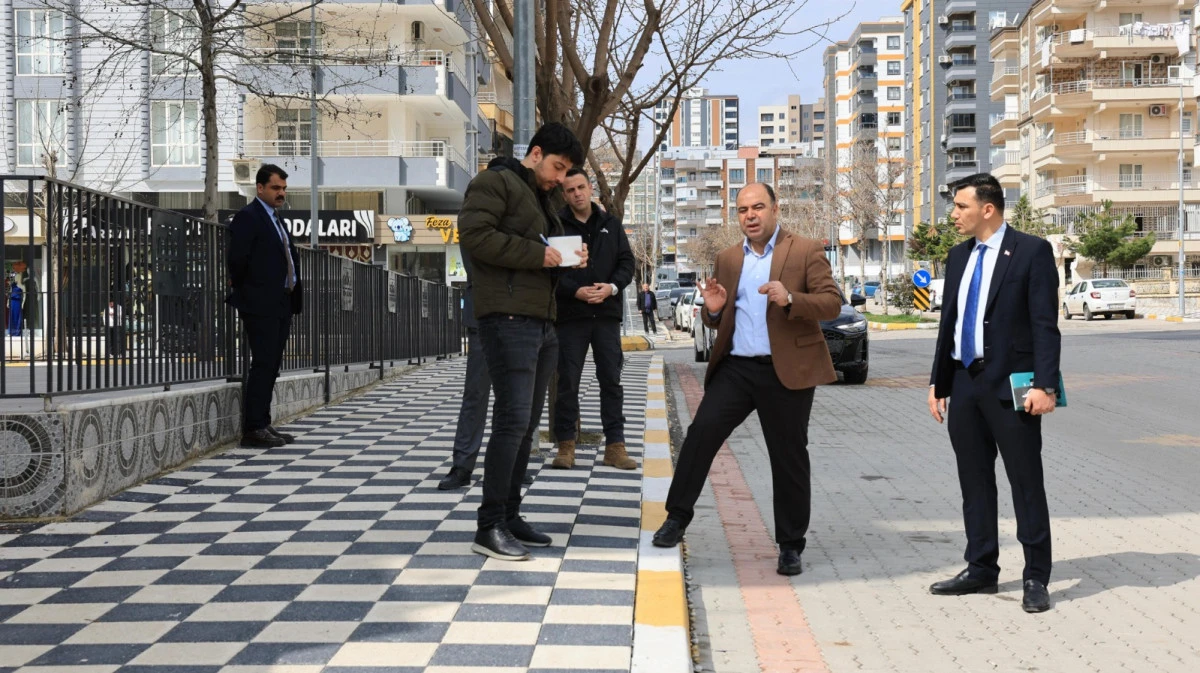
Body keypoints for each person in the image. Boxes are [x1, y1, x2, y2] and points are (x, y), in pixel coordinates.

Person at [650, 183, 841, 576]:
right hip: (736, 369)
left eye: (758, 207)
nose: (750, 216)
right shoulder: (727, 258)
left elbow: (831, 303)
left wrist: (791, 299)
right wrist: (713, 312)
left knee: (788, 457)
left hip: (785, 370)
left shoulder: (804, 250)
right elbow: (716, 314)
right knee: (701, 433)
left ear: (775, 209)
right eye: (742, 210)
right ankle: (676, 518)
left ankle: (790, 545)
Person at [926, 173, 1061, 613]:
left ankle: (1036, 576)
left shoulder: (1031, 251)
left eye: (961, 206)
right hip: (965, 383)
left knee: (1025, 482)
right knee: (975, 481)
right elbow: (950, 322)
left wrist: (1045, 385)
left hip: (1012, 387)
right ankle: (981, 567)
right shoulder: (958, 256)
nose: (955, 214)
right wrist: (939, 382)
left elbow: (1044, 325)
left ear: (988, 208)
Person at [458, 122, 587, 561]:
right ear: (535, 154)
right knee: (512, 423)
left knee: (526, 427)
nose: (560, 178)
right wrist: (540, 254)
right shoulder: (494, 182)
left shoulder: (540, 195)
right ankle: (488, 526)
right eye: (557, 166)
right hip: (507, 318)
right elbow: (474, 237)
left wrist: (566, 255)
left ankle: (509, 515)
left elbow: (538, 246)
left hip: (541, 320)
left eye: (566, 170)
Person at [550, 168, 636, 471]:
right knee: (567, 382)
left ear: (590, 189)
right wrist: (576, 292)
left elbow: (627, 263)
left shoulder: (611, 224)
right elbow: (551, 272)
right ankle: (566, 446)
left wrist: (611, 287)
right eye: (570, 189)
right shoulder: (557, 225)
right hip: (571, 316)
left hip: (606, 315)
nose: (577, 193)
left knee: (611, 380)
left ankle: (615, 446)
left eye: (581, 187)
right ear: (565, 194)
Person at [226, 164, 302, 449]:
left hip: (281, 300)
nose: (281, 193)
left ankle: (263, 421)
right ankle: (253, 428)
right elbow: (237, 260)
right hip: (260, 301)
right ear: (260, 188)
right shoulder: (249, 217)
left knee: (272, 364)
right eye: (275, 188)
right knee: (263, 363)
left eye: (283, 188)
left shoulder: (275, 218)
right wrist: (252, 291)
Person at [438, 247, 492, 490]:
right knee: (475, 393)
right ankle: (463, 464)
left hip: (519, 313)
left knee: (514, 396)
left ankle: (512, 462)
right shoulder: (474, 212)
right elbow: (477, 262)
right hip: (483, 310)